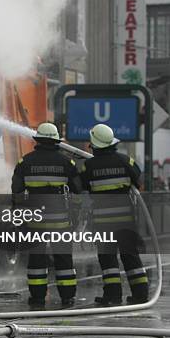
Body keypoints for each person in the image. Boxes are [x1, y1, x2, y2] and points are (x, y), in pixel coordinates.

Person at [11, 122, 82, 307]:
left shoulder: (25, 162)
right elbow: (77, 190)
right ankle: (68, 297)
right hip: (60, 222)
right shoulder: (67, 162)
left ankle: (37, 298)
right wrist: (75, 214)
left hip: (35, 222)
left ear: (38, 140)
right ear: (56, 141)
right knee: (64, 260)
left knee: (36, 262)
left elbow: (16, 191)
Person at [80, 123, 148, 305]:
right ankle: (141, 295)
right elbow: (139, 180)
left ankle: (113, 297)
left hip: (103, 224)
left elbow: (81, 186)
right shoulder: (127, 161)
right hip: (126, 222)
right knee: (131, 257)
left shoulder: (89, 166)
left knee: (108, 260)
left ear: (94, 144)